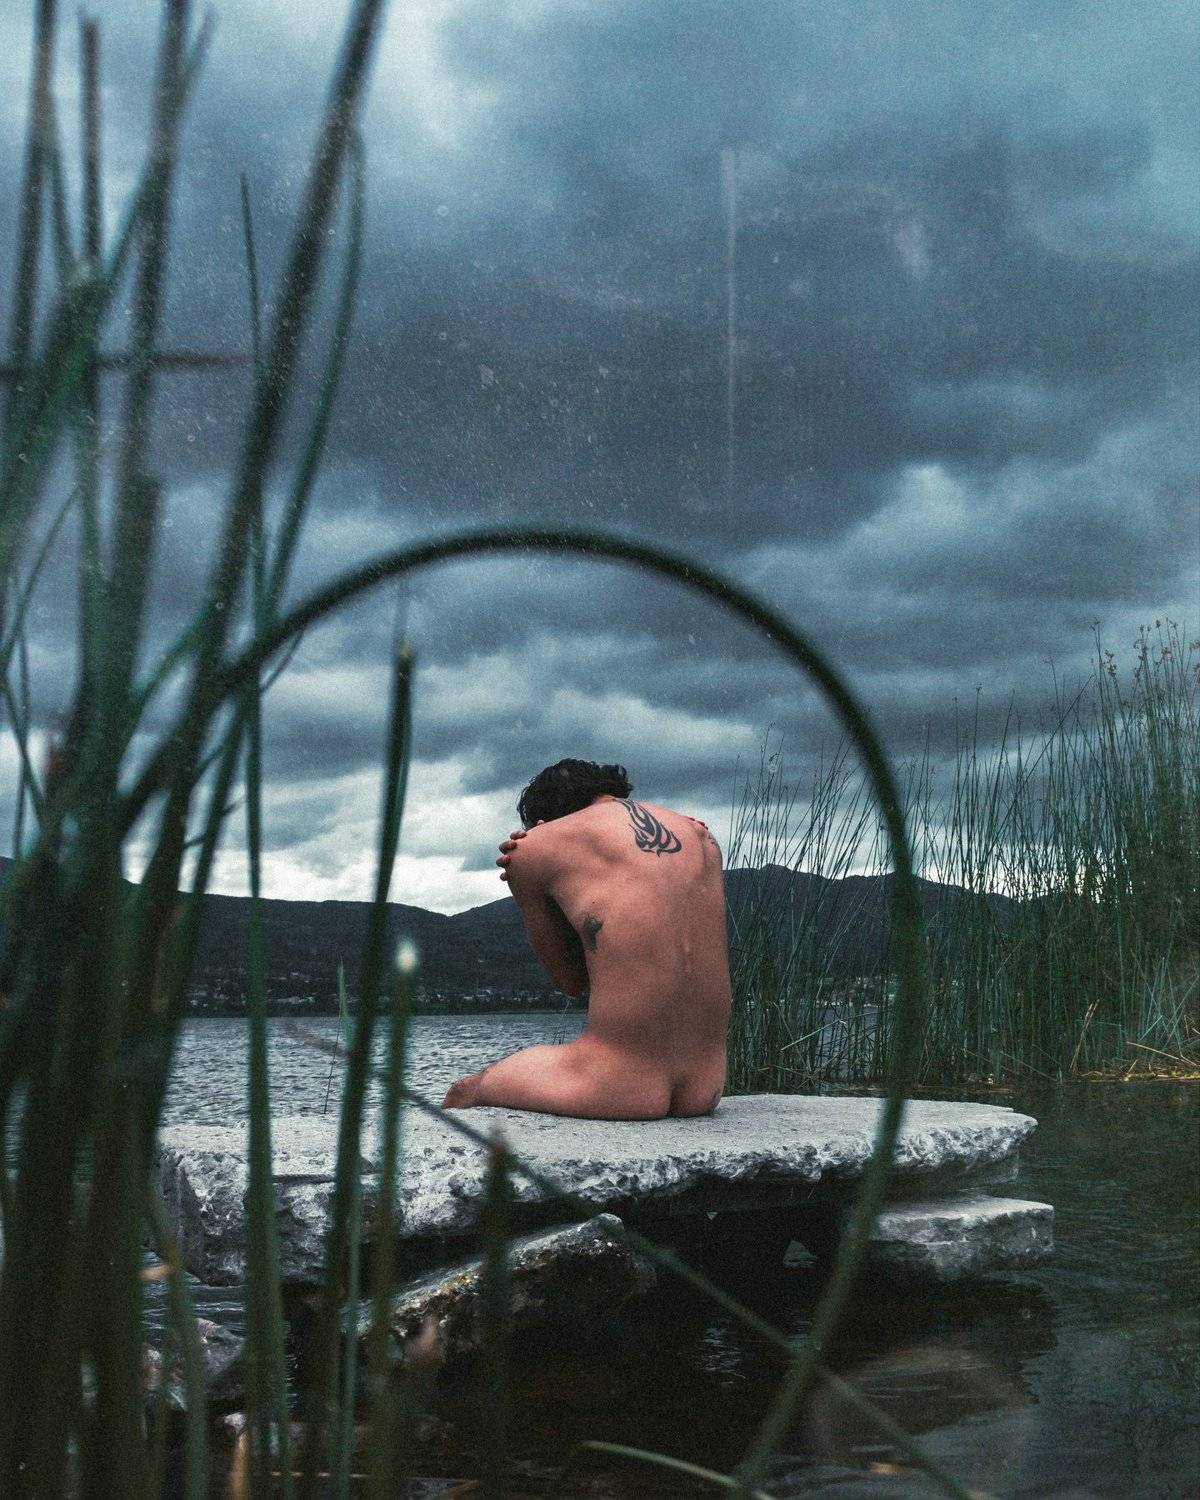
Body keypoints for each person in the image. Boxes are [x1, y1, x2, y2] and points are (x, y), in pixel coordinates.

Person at [441, 759, 732, 1119]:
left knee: (465, 1091)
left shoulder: (533, 846)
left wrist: (526, 867)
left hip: (616, 1086)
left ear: (542, 819)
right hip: (705, 1087)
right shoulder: (701, 836)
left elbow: (571, 982)